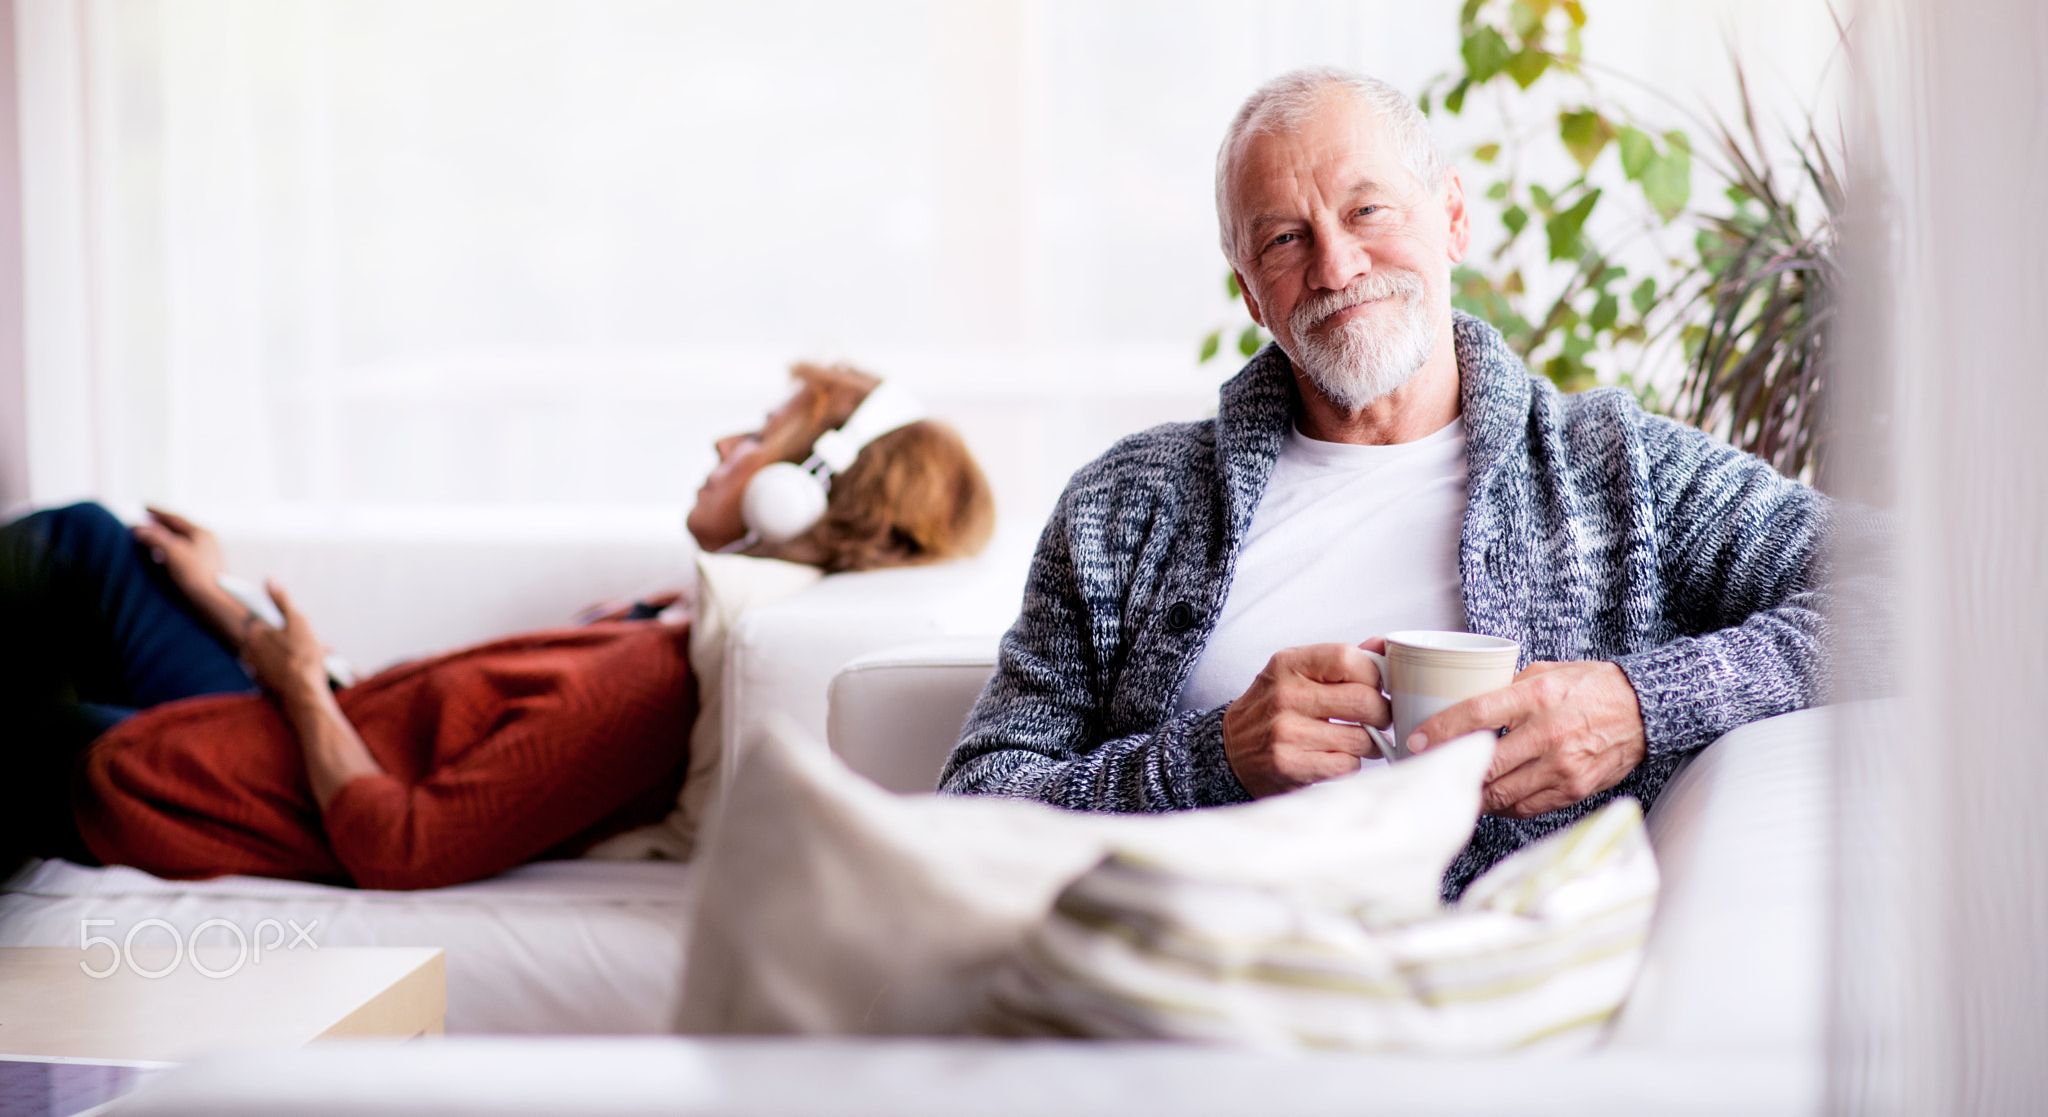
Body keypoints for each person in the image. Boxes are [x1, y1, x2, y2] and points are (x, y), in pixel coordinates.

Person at [939, 67, 1828, 896]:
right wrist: (1215, 759)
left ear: (1451, 219)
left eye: (1368, 211)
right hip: (1191, 998)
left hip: (1487, 1000)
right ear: (1251, 293)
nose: (1337, 267)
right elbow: (978, 812)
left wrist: (1635, 705)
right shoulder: (1122, 509)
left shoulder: (1619, 470)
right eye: (1286, 239)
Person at [0, 363, 994, 887]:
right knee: (95, 543)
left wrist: (297, 681)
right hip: (296, 728)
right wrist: (224, 601)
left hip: (223, 777)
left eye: (757, 435)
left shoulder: (648, 684)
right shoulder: (667, 614)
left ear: (798, 494)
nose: (722, 442)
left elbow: (405, 844)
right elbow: (393, 713)